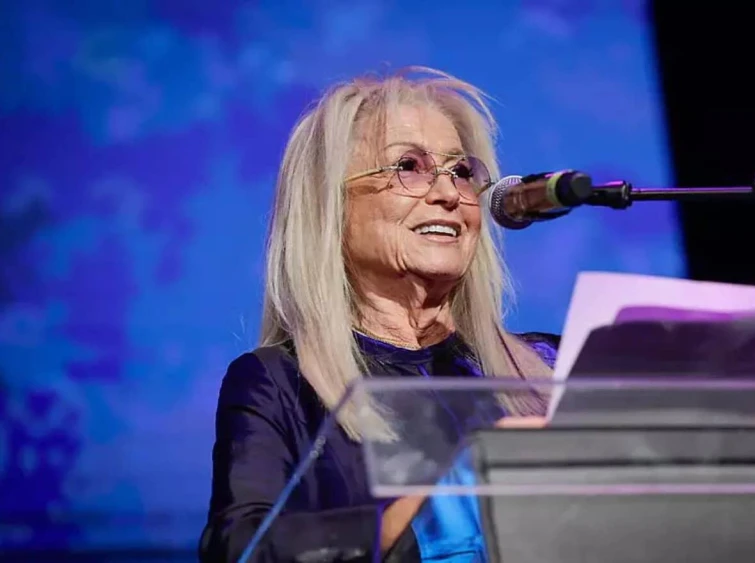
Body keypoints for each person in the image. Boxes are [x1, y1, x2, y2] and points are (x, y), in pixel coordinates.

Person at [198, 67, 557, 563]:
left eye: (460, 171)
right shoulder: (280, 384)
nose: (449, 194)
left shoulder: (548, 367)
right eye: (408, 166)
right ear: (331, 207)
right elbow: (237, 548)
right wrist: (435, 509)